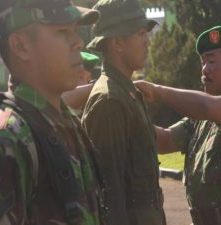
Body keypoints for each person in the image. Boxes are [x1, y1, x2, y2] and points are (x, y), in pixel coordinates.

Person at [0, 0, 105, 224]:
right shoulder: (1, 143)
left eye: (75, 30)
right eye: (63, 31)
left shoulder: (66, 122)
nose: (78, 42)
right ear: (21, 47)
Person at [135, 22, 221, 225]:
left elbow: (209, 108)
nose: (204, 69)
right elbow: (164, 140)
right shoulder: (200, 117)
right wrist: (127, 113)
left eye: (212, 62)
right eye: (203, 62)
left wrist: (156, 91)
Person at [81, 0, 166, 225]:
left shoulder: (126, 92)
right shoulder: (110, 100)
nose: (148, 42)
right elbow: (110, 194)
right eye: (140, 34)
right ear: (118, 42)